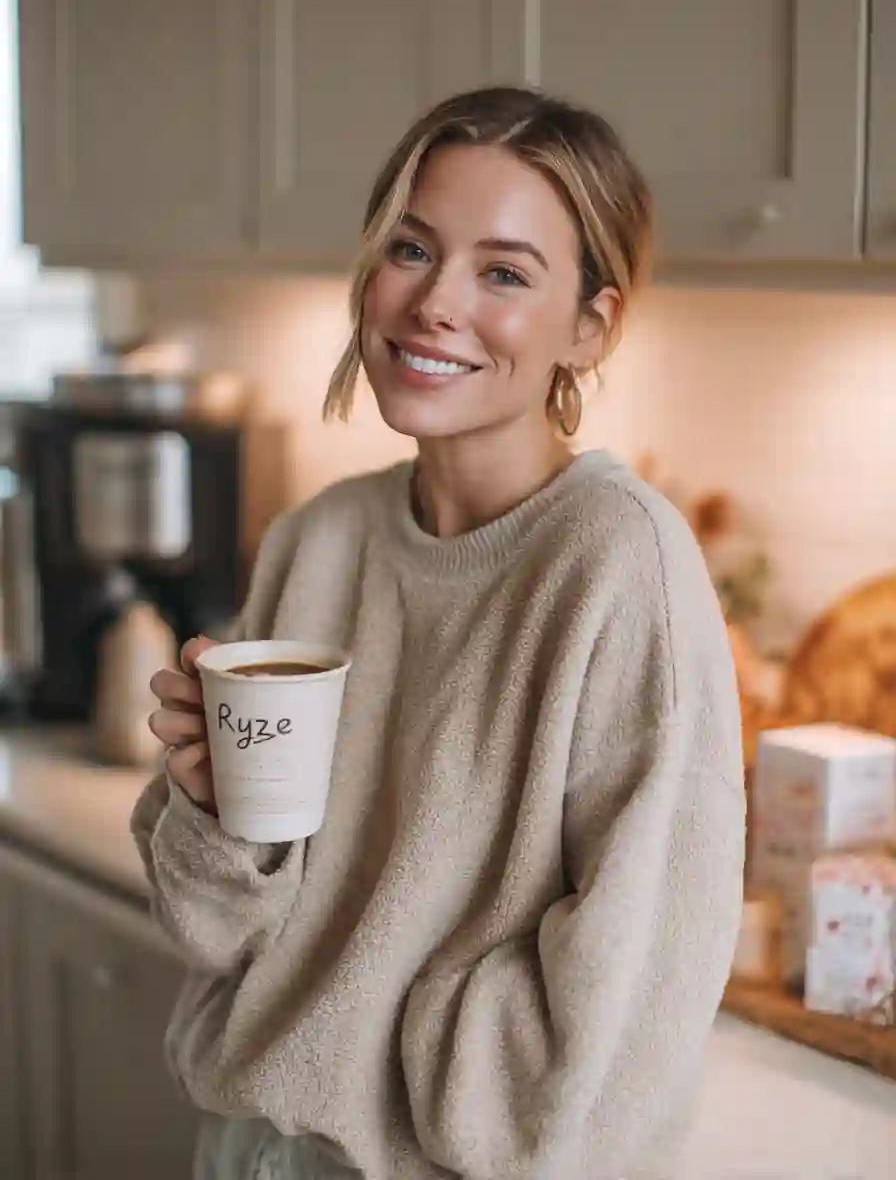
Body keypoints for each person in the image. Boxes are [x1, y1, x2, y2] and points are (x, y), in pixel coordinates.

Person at [132, 86, 745, 1180]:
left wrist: (415, 1065)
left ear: (588, 325)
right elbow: (214, 931)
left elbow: (640, 978)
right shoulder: (318, 539)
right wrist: (219, 817)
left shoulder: (618, 564)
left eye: (503, 273)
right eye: (412, 249)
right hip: (242, 1148)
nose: (433, 304)